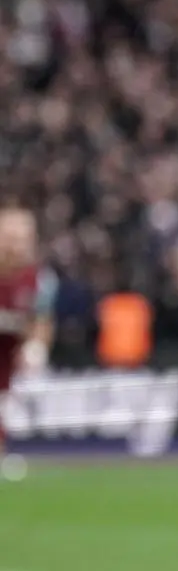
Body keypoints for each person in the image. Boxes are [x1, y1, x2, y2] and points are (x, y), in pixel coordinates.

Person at [0, 205, 57, 482]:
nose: (17, 245)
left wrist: (36, 347)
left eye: (24, 238)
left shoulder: (39, 279)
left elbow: (42, 319)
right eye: (11, 237)